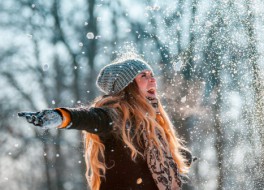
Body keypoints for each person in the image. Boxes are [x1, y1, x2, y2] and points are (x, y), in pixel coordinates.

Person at [18, 55, 194, 190]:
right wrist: (61, 116)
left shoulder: (152, 124)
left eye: (152, 74)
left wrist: (178, 156)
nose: (153, 79)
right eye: (143, 76)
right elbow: (89, 117)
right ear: (128, 85)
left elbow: (152, 158)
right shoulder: (117, 116)